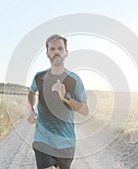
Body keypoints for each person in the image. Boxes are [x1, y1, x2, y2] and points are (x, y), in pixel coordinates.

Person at [27, 34, 89, 169]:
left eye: (60, 48)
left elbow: (85, 110)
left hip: (66, 142)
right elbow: (31, 93)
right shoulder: (39, 77)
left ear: (66, 53)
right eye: (52, 49)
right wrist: (31, 110)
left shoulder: (75, 80)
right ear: (47, 54)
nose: (56, 52)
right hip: (42, 139)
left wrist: (65, 97)